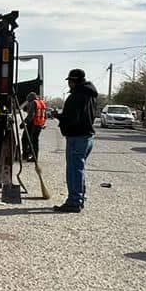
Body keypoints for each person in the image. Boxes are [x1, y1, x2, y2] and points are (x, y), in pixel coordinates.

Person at [55, 69, 99, 213]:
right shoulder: (90, 94)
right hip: (87, 136)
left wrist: (59, 117)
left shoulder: (77, 96)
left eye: (69, 81)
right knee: (79, 169)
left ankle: (74, 202)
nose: (69, 84)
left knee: (74, 170)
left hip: (77, 136)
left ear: (73, 81)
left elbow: (72, 118)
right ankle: (79, 199)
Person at [23, 85, 47, 163]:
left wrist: (23, 123)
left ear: (30, 98)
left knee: (25, 139)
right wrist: (43, 124)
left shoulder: (33, 102)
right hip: (39, 124)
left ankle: (26, 155)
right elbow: (45, 115)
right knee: (35, 141)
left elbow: (31, 115)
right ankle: (34, 156)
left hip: (33, 124)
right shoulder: (42, 102)